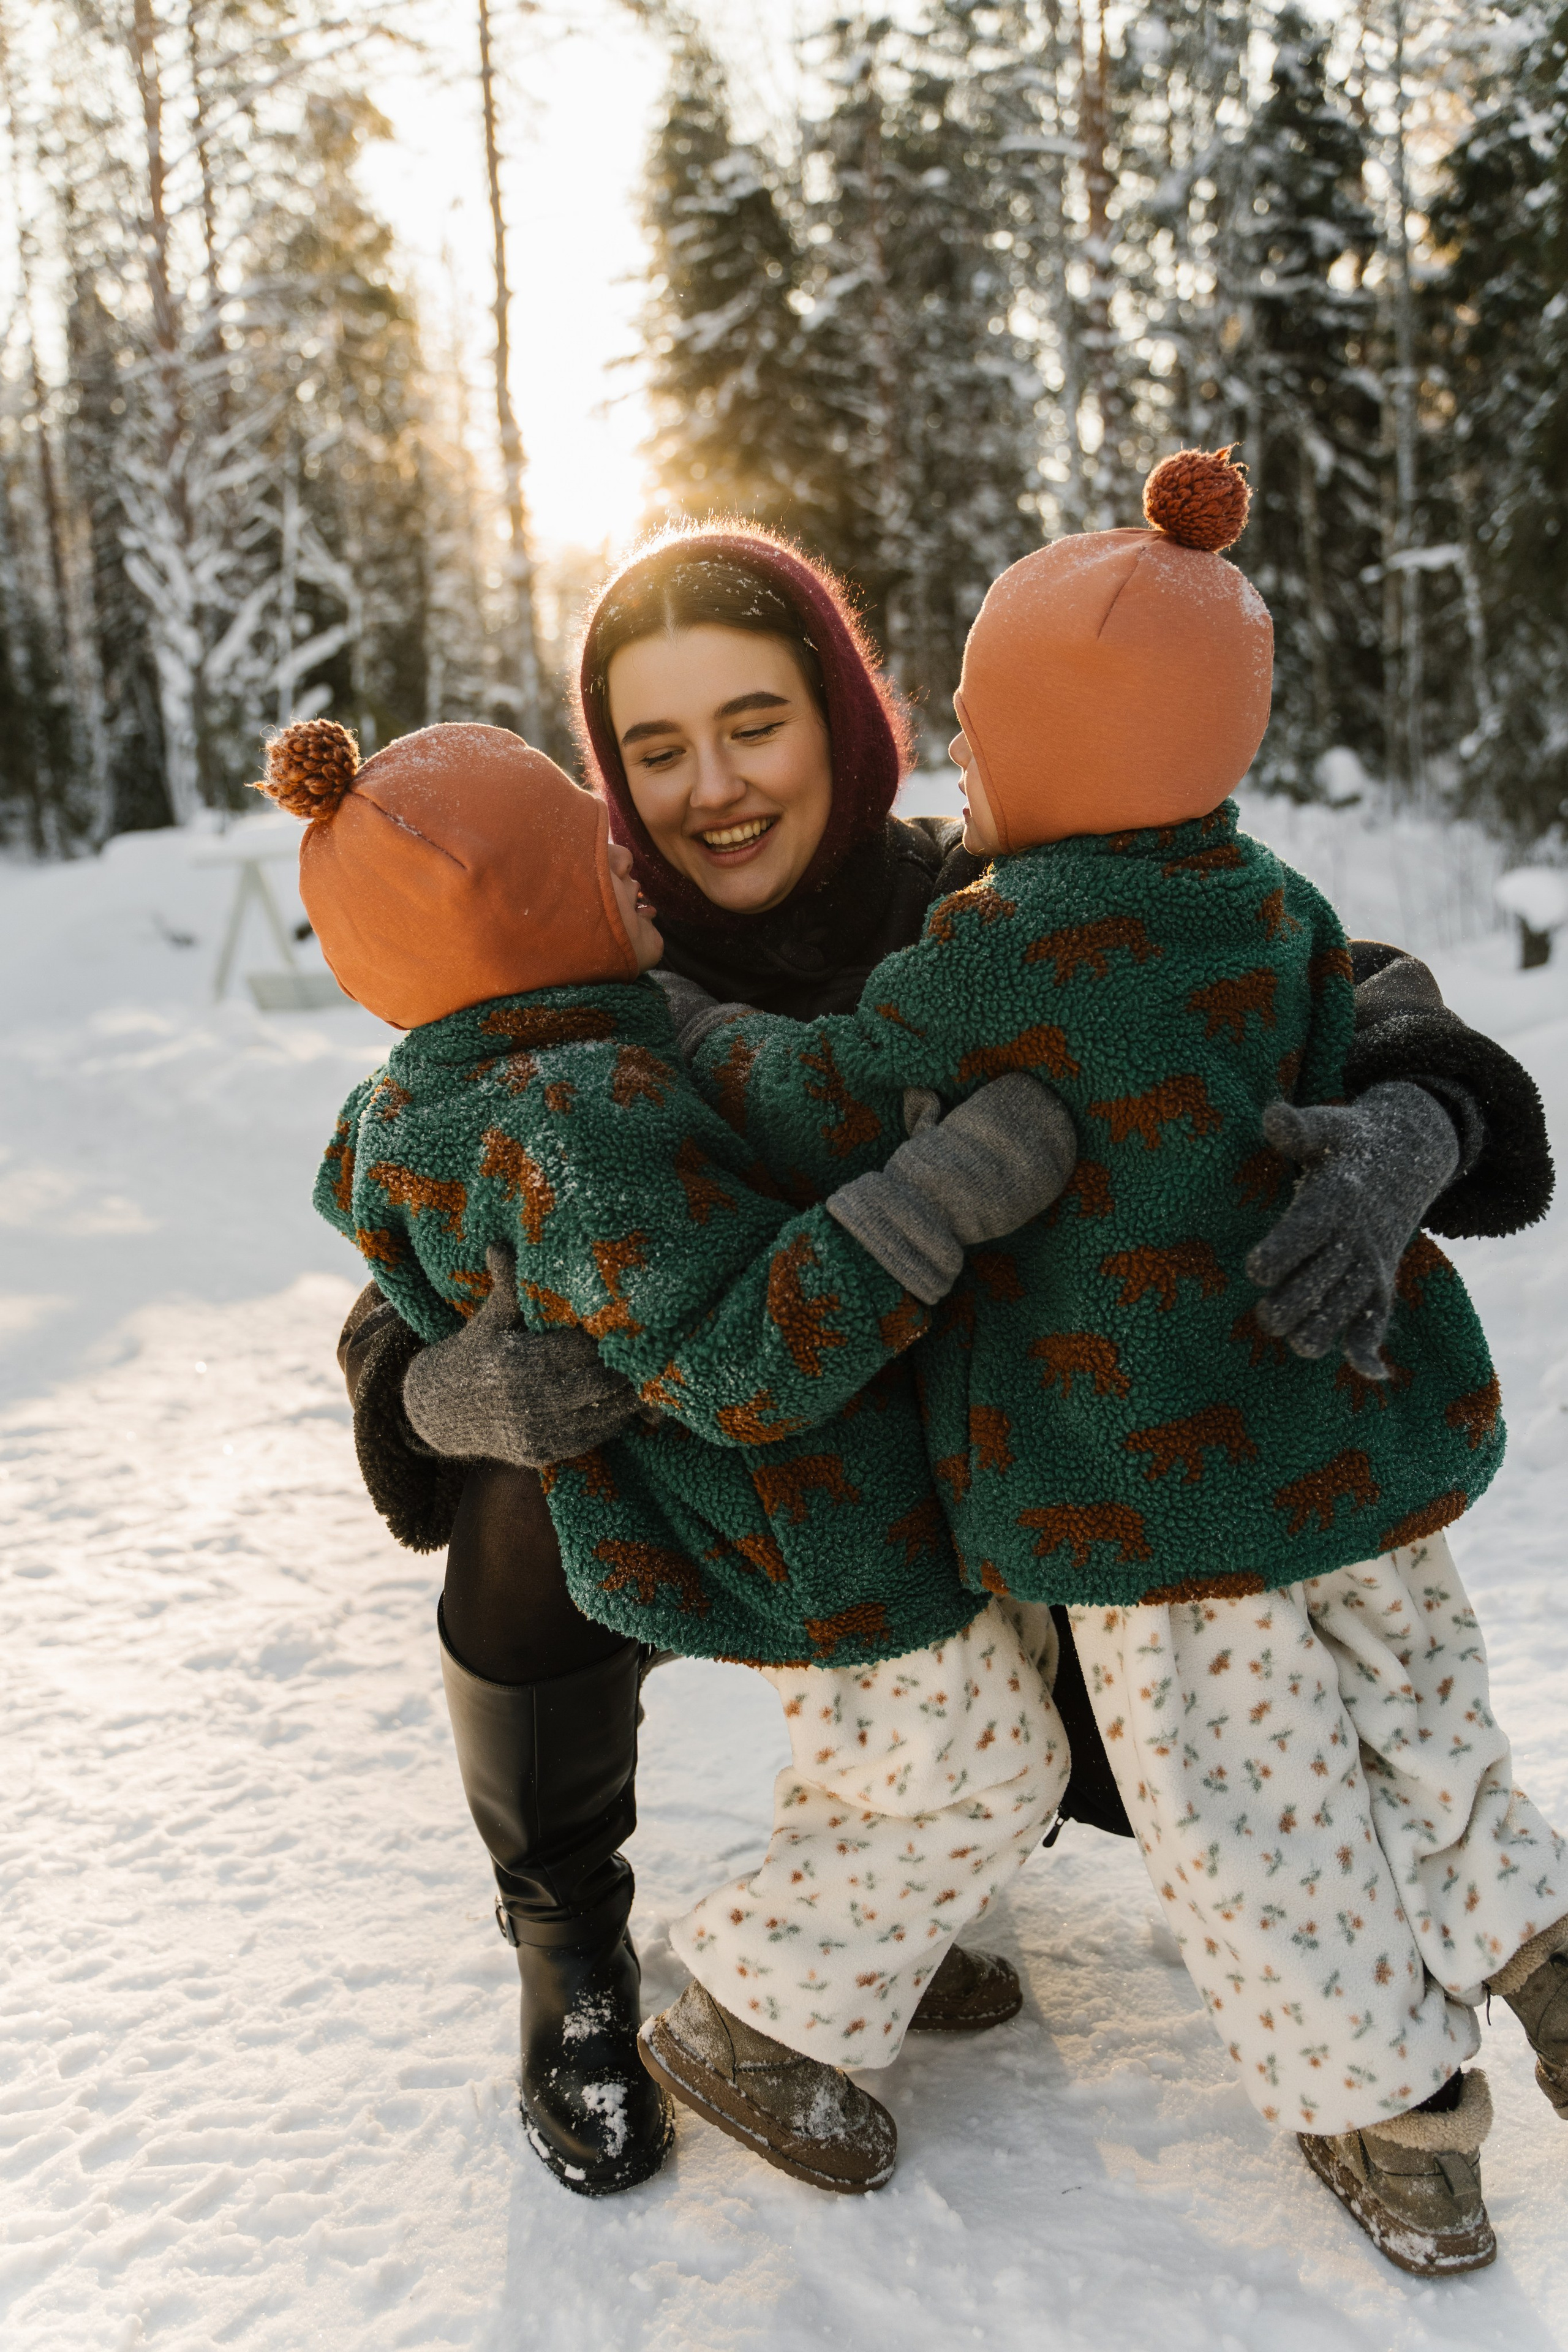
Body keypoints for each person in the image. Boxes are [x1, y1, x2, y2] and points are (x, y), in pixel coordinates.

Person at [334, 516, 1555, 2209]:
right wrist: (426, 1388)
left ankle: (929, 1911)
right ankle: (571, 1952)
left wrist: (1423, 1108)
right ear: (608, 781)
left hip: (1030, 1496)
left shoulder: (984, 877)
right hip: (752, 1484)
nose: (712, 787)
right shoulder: (573, 974)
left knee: (1235, 1710)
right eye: (656, 749)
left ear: (844, 720)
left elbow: (1293, 968)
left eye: (753, 723)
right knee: (520, 1479)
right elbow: (431, 1225)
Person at [669, 450, 1567, 2277]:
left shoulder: (991, 951)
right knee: (1422, 1709)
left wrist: (678, 1029)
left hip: (1149, 1495)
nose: (961, 757)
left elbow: (830, 1085)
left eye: (982, 721)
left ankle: (1399, 2120)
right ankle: (1538, 1937)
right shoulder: (1273, 902)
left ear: (1051, 745)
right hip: (1345, 1429)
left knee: (1252, 1808)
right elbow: (1369, 1002)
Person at [265, 713, 1077, 2196]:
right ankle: (721, 1997)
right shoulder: (584, 1095)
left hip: (873, 1469)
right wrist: (926, 1203)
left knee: (928, 1744)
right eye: (628, 784)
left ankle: (867, 1940)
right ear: (538, 902)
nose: (677, 812)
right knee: (987, 1763)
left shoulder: (440, 1084)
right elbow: (731, 1359)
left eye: (752, 721)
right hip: (796, 1514)